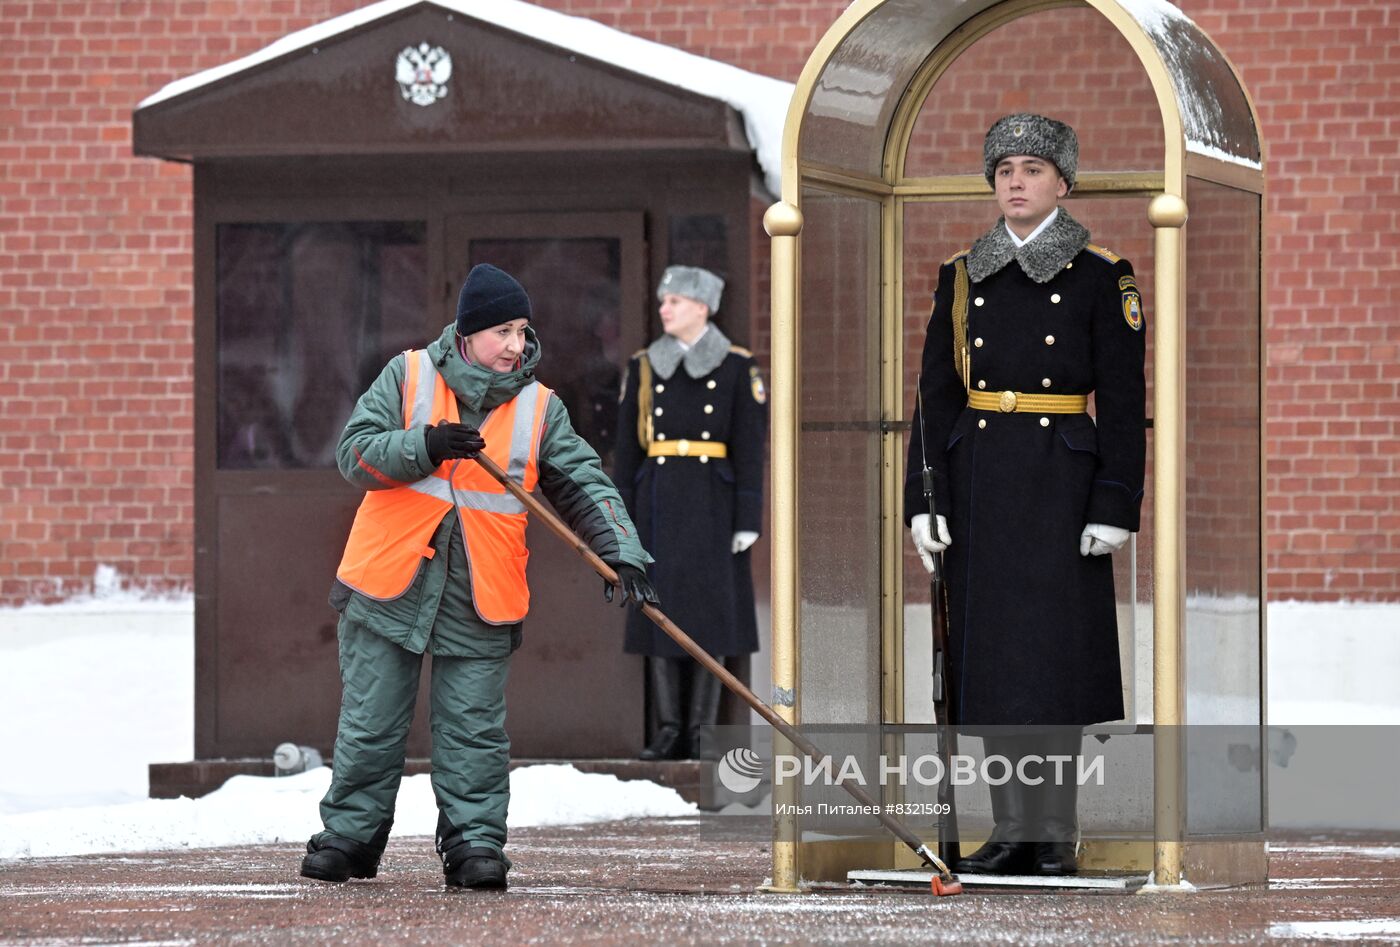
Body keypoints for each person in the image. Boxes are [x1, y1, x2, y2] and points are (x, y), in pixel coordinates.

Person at [300, 263, 658, 890]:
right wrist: (426, 445)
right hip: (388, 582)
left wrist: (620, 549)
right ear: (468, 333)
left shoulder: (539, 406)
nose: (517, 345)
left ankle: (473, 843)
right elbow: (354, 455)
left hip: (481, 591)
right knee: (370, 723)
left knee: (474, 731)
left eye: (523, 331)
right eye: (503, 331)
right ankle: (350, 838)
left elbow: (582, 482)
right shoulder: (408, 375)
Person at [905, 114, 1146, 876]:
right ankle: (1011, 831)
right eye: (1004, 168)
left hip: (1062, 486)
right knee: (996, 665)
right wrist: (924, 500)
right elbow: (933, 400)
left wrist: (1115, 504)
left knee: (1052, 665)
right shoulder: (962, 274)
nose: (1015, 181)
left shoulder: (1102, 274)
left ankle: (1053, 834)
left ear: (1063, 181)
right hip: (978, 481)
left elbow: (1123, 398)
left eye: (1033, 168)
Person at [613, 266, 767, 761]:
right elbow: (626, 451)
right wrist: (618, 520)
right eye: (664, 300)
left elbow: (749, 448)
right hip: (656, 503)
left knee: (710, 617)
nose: (664, 308)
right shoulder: (643, 367)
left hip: (713, 505)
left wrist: (747, 518)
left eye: (675, 300)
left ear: (702, 308)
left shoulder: (737, 367)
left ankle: (703, 730)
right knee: (656, 610)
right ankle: (669, 728)